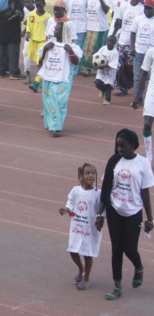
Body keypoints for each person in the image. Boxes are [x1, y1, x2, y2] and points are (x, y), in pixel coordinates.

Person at [96, 129, 153, 300]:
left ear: (133, 145)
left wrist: (150, 218)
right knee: (116, 250)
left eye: (124, 146)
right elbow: (106, 190)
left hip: (133, 211)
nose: (120, 149)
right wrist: (100, 215)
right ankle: (117, 286)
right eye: (118, 145)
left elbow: (145, 193)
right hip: (114, 210)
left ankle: (138, 267)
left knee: (130, 248)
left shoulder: (142, 164)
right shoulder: (114, 161)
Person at [58, 164, 102, 291]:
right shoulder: (75, 190)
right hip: (77, 226)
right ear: (81, 176)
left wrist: (100, 219)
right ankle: (80, 268)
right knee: (73, 250)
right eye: (87, 173)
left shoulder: (98, 194)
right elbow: (71, 203)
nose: (91, 176)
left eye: (93, 173)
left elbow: (102, 209)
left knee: (88, 253)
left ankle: (86, 278)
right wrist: (67, 209)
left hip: (90, 228)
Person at [38, 21, 81, 137]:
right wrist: (45, 49)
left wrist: (70, 52)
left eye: (56, 30)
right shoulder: (49, 44)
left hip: (63, 79)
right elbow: (40, 62)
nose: (54, 31)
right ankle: (50, 124)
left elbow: (76, 62)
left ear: (63, 32)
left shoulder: (72, 47)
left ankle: (57, 128)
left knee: (59, 101)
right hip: (48, 77)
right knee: (48, 100)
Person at [112, 0, 147, 95]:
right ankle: (123, 88)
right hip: (122, 41)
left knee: (132, 68)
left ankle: (139, 87)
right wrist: (113, 35)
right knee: (120, 68)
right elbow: (118, 21)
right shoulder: (124, 6)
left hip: (134, 44)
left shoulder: (142, 9)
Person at [80, 0, 112, 76]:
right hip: (91, 26)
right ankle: (88, 69)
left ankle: (101, 69)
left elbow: (106, 10)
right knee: (89, 49)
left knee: (101, 48)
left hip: (101, 27)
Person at [133, 39, 154, 160]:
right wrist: (137, 96)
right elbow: (144, 74)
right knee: (147, 124)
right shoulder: (151, 52)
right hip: (152, 92)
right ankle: (149, 155)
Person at [130, 0, 154, 105]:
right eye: (145, 8)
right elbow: (133, 33)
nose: (147, 10)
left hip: (151, 54)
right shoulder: (138, 19)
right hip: (139, 52)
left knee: (148, 76)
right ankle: (138, 99)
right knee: (137, 77)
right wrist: (132, 48)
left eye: (149, 8)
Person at [25, 0, 51, 89]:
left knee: (40, 62)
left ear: (44, 5)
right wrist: (27, 33)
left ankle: (37, 83)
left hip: (43, 42)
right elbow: (29, 25)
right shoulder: (31, 14)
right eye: (37, 6)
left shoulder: (48, 17)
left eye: (40, 6)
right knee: (38, 62)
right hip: (33, 41)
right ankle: (42, 81)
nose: (39, 8)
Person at [64, 0, 88, 74]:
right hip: (70, 26)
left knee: (79, 48)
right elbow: (65, 10)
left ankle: (78, 68)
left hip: (81, 26)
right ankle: (71, 67)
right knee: (70, 47)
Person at [96, 35, 119, 105]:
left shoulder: (115, 52)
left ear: (115, 43)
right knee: (97, 83)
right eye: (108, 41)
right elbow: (96, 55)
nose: (109, 43)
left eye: (111, 41)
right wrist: (96, 62)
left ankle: (107, 100)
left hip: (110, 72)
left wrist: (104, 65)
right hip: (101, 71)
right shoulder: (103, 48)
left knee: (108, 86)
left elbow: (114, 64)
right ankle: (103, 90)